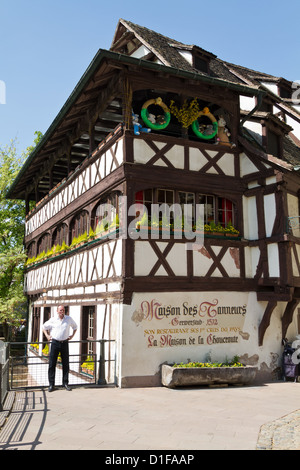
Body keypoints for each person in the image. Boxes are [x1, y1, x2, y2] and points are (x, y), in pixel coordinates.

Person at [42, 305, 77, 392]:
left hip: (65, 343)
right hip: (55, 343)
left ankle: (65, 383)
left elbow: (75, 327)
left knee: (65, 364)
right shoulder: (53, 320)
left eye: (63, 310)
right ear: (57, 311)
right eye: (60, 310)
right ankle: (51, 385)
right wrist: (47, 335)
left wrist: (72, 336)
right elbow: (44, 327)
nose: (62, 311)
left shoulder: (68, 319)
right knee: (52, 364)